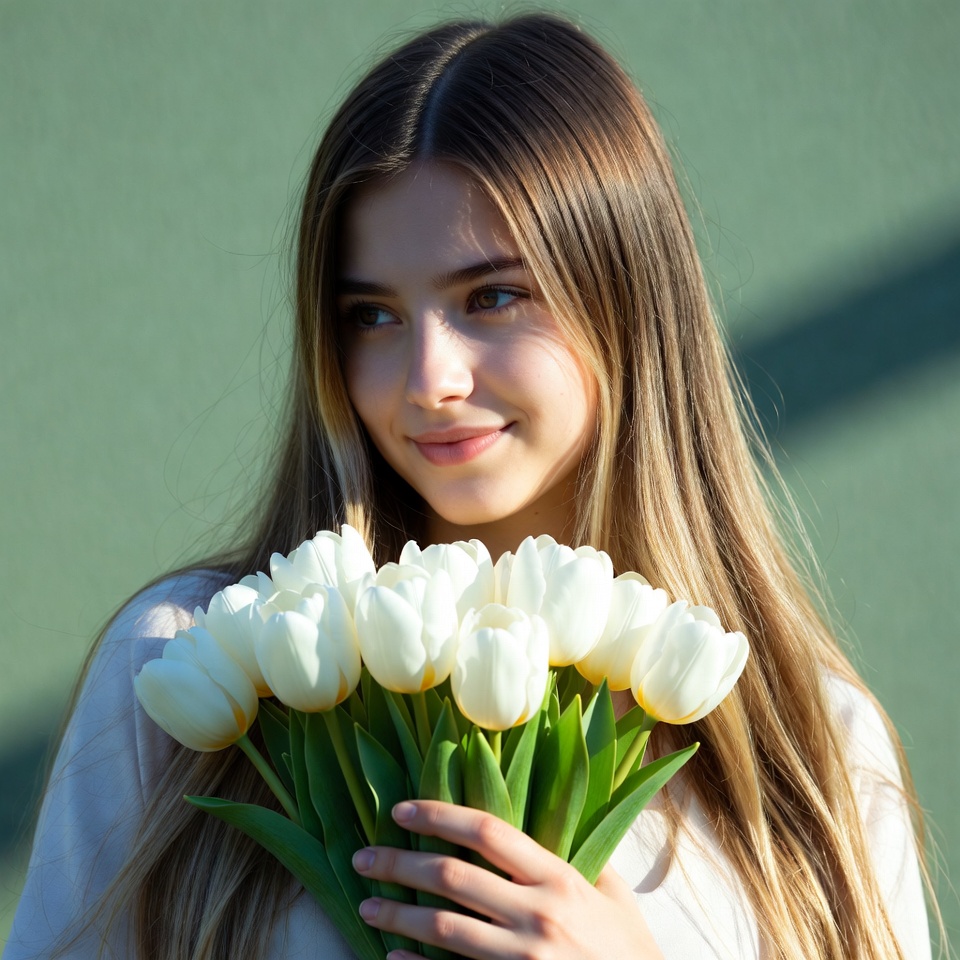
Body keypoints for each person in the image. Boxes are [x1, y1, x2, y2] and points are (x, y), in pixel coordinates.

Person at [4, 11, 936, 960]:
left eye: (491, 297)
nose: (427, 381)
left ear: (626, 301)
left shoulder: (816, 753)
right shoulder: (191, 665)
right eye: (371, 314)